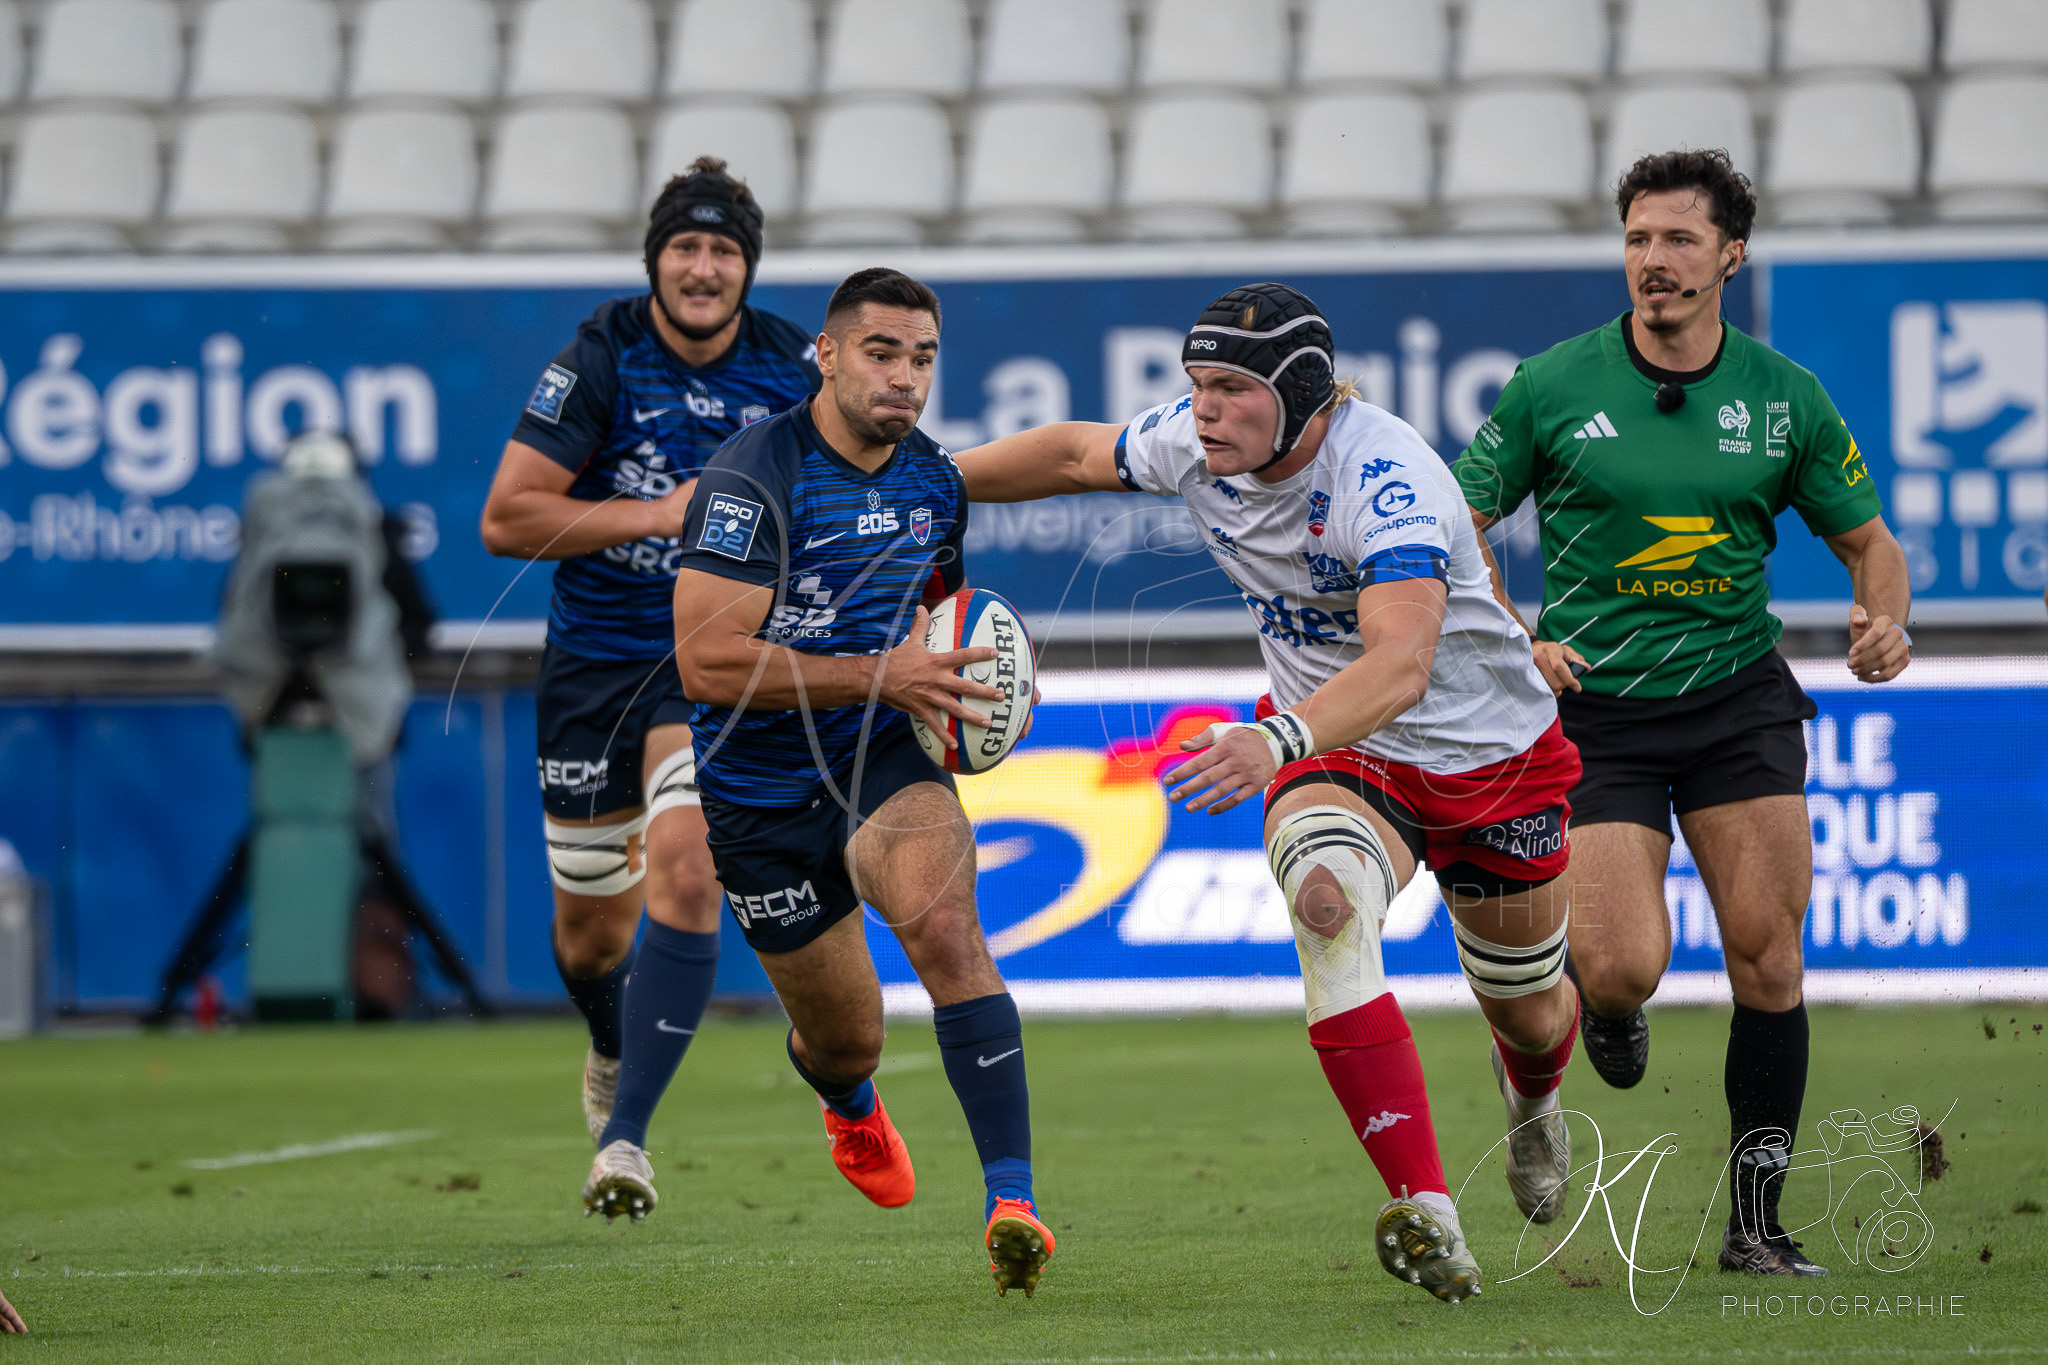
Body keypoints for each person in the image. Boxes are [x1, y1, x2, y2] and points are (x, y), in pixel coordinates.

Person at [953, 283, 1585, 1306]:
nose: (1203, 409)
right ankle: (1426, 1204)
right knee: (1324, 906)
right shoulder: (1197, 444)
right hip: (1348, 755)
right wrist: (922, 480)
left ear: (1299, 397)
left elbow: (1399, 667)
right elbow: (1072, 454)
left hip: (1488, 759)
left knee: (1528, 1013)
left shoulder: (1387, 478)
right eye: (1195, 384)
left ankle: (1530, 1098)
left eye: (1230, 389)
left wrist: (1272, 735)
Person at [1454, 149, 1912, 1277]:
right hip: (1595, 708)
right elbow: (1452, 526)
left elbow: (1870, 544)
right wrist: (1515, 634)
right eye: (1635, 240)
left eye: (1675, 241)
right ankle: (1601, 1015)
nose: (1650, 263)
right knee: (1615, 970)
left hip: (1736, 701)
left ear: (1729, 255)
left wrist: (1881, 620)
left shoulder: (1782, 395)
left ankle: (1755, 1227)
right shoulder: (1549, 384)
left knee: (1766, 961)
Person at [583, 267, 1056, 1299]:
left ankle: (1010, 1200)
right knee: (847, 1039)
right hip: (754, 793)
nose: (904, 378)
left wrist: (950, 689)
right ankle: (845, 1102)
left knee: (946, 930)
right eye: (881, 353)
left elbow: (941, 613)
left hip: (875, 757)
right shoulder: (749, 481)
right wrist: (878, 672)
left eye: (922, 357)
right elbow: (707, 664)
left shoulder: (931, 480)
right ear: (828, 355)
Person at [479, 158, 819, 1146]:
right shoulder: (600, 359)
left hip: (706, 656)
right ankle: (607, 1038)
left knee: (683, 865)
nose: (703, 269)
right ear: (655, 260)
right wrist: (661, 512)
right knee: (592, 934)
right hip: (595, 660)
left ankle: (628, 1130)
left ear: (747, 270)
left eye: (722, 251)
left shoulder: (795, 371)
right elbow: (506, 519)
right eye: (685, 247)